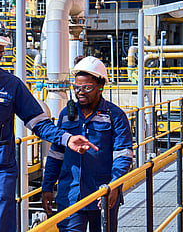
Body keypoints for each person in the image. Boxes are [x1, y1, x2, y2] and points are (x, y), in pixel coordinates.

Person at [0, 19, 98, 232]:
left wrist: (67, 139)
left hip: (0, 170)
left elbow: (39, 122)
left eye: (0, 54)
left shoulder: (11, 85)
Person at [41, 56, 133, 232]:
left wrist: (114, 185)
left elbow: (123, 153)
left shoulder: (115, 116)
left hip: (103, 195)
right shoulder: (66, 116)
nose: (80, 92)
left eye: (87, 88)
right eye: (76, 87)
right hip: (70, 195)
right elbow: (56, 154)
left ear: (100, 87)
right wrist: (47, 186)